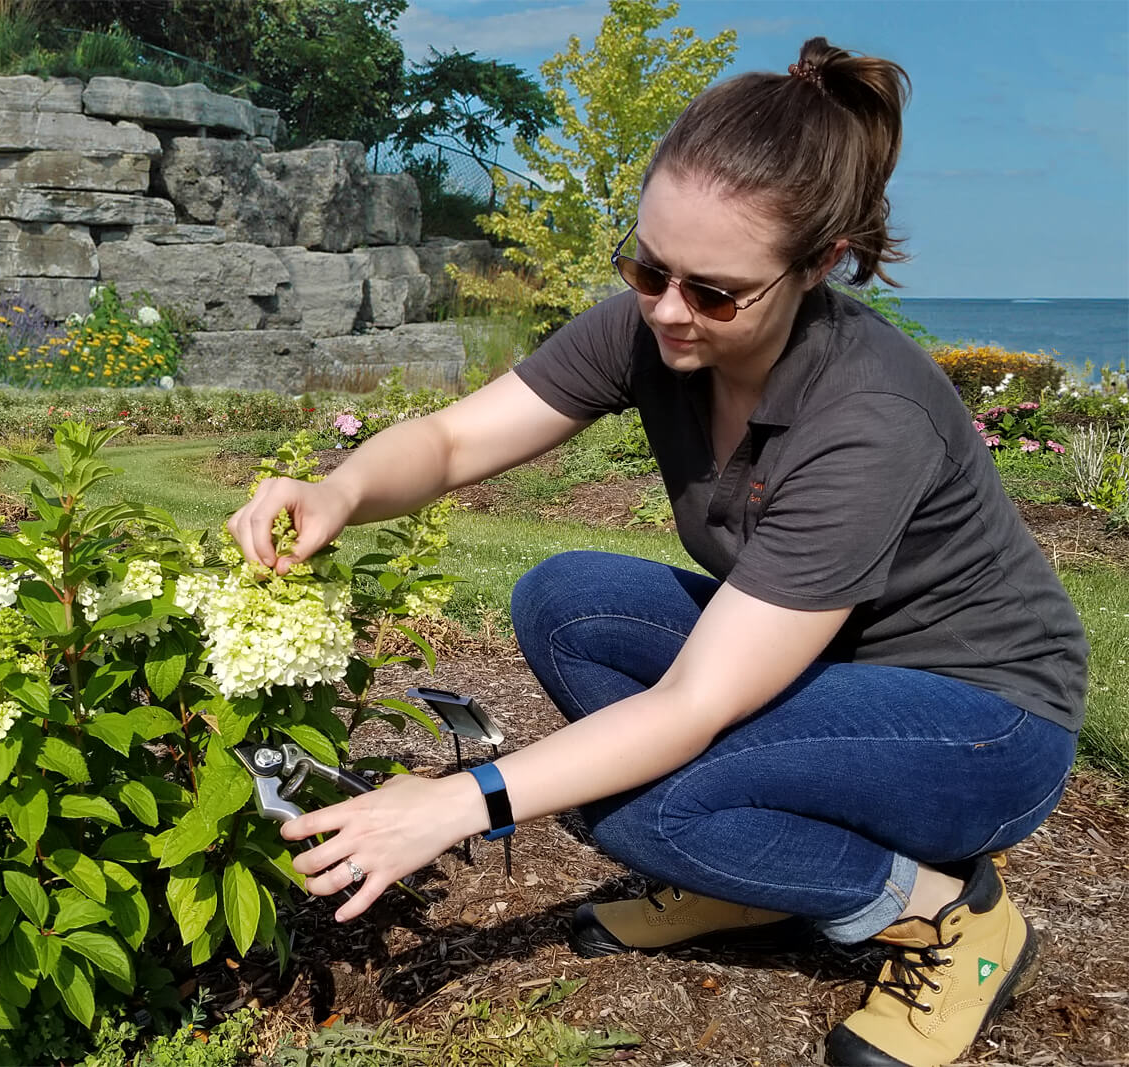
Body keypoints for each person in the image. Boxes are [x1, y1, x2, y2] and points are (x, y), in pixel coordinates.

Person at [226, 37, 1086, 1067]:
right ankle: (747, 871)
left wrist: (455, 804)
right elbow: (452, 440)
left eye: (715, 291)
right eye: (646, 267)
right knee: (566, 599)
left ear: (818, 264)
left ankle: (950, 917)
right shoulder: (652, 332)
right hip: (828, 669)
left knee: (639, 808)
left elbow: (690, 705)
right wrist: (340, 488)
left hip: (983, 726)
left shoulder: (866, 417)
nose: (670, 309)